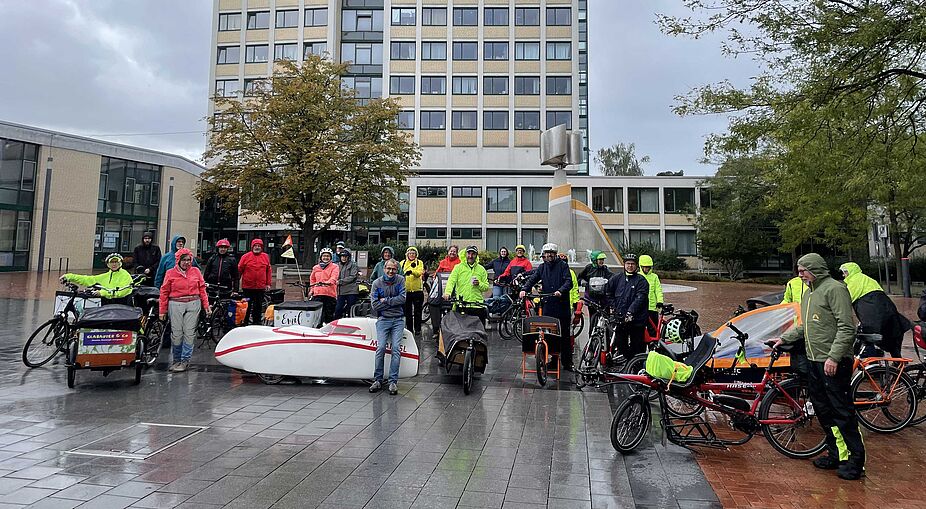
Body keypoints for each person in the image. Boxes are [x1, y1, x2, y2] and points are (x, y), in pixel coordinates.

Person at [772, 253, 864, 481]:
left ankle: (855, 460)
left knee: (841, 411)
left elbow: (846, 327)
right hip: (814, 361)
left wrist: (834, 357)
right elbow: (806, 326)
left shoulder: (835, 289)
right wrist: (784, 338)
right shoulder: (810, 293)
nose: (800, 275)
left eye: (803, 271)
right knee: (823, 410)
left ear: (816, 269)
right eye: (798, 271)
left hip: (833, 361)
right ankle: (836, 453)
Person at [839, 262, 911, 358]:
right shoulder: (869, 279)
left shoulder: (853, 282)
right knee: (891, 334)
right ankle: (897, 362)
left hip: (873, 315)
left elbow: (845, 301)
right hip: (888, 310)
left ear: (849, 272)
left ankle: (872, 359)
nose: (843, 275)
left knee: (869, 336)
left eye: (844, 272)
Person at [520, 243, 574, 370]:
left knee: (564, 335)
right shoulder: (542, 267)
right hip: (548, 305)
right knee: (549, 335)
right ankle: (553, 361)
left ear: (555, 254)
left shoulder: (563, 265)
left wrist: (561, 291)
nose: (549, 255)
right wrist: (524, 289)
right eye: (547, 253)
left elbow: (569, 282)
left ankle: (567, 363)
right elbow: (533, 279)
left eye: (551, 253)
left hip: (561, 306)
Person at [158, 248, 210, 372]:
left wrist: (206, 306)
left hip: (193, 303)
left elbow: (202, 289)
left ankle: (185, 360)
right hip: (176, 303)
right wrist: (162, 311)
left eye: (189, 260)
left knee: (189, 333)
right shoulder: (170, 273)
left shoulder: (196, 271)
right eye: (184, 260)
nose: (187, 262)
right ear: (178, 260)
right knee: (176, 334)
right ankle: (176, 360)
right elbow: (164, 292)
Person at [369, 259, 406, 395]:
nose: (391, 271)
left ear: (397, 270)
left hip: (398, 320)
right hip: (383, 319)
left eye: (393, 269)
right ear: (384, 269)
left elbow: (403, 299)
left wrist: (386, 300)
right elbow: (374, 305)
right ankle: (377, 380)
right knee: (380, 348)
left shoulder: (400, 280)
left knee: (396, 349)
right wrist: (393, 303)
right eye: (388, 268)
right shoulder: (376, 283)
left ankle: (393, 382)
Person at [605, 253, 649, 362]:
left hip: (637, 320)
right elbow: (608, 292)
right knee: (621, 344)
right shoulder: (617, 278)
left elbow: (640, 298)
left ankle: (637, 366)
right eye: (628, 263)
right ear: (624, 265)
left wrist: (631, 312)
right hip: (621, 319)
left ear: (636, 266)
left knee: (637, 346)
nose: (630, 266)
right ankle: (630, 361)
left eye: (632, 264)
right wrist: (614, 306)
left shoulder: (641, 280)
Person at [60, 253, 134, 305]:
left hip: (121, 307)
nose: (114, 264)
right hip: (107, 305)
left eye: (116, 262)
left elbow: (123, 292)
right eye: (111, 262)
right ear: (108, 264)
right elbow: (88, 279)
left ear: (120, 263)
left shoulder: (125, 275)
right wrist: (69, 276)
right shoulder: (106, 276)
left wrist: (102, 293)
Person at [444, 246, 490, 325]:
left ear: (476, 255)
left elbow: (486, 287)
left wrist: (479, 284)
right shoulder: (458, 268)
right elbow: (451, 281)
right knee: (461, 330)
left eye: (473, 254)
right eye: (469, 253)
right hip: (462, 305)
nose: (470, 256)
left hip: (477, 306)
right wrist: (447, 292)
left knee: (479, 331)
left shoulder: (481, 269)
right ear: (465, 254)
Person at [428, 245, 462, 339]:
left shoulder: (459, 263)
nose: (452, 253)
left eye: (454, 251)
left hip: (454, 289)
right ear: (448, 252)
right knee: (434, 305)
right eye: (451, 251)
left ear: (457, 253)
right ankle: (436, 330)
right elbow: (437, 273)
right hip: (442, 289)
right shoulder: (443, 262)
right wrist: (434, 277)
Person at [238, 238, 272, 325]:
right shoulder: (245, 257)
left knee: (258, 306)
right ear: (252, 247)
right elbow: (239, 270)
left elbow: (268, 271)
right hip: (248, 287)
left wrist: (268, 284)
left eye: (259, 246)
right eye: (255, 246)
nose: (257, 247)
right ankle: (245, 323)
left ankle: (257, 323)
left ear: (261, 247)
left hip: (260, 287)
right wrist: (236, 283)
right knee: (246, 306)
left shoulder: (265, 257)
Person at [310, 247, 340, 323]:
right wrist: (312, 289)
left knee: (328, 315)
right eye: (324, 256)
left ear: (331, 257)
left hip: (329, 294)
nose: (326, 258)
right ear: (321, 257)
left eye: (328, 256)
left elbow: (334, 277)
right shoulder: (316, 268)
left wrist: (328, 282)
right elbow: (312, 279)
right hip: (317, 294)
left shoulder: (335, 267)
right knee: (317, 315)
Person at [401, 246, 425, 334]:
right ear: (407, 254)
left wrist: (412, 271)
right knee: (408, 312)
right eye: (410, 253)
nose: (411, 255)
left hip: (417, 290)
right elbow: (400, 273)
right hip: (406, 291)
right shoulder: (402, 263)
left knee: (418, 311)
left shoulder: (419, 262)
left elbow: (419, 273)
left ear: (416, 255)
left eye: (413, 253)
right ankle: (409, 329)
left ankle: (417, 329)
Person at [639, 254, 664, 337]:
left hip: (652, 308)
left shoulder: (654, 277)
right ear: (641, 266)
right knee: (640, 330)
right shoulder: (637, 277)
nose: (647, 269)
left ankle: (653, 344)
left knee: (653, 330)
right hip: (640, 308)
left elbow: (658, 290)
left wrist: (660, 302)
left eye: (648, 267)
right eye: (645, 267)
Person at [334, 248, 360, 319]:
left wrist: (340, 281)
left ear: (348, 257)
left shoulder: (353, 265)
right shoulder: (337, 265)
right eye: (342, 256)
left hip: (351, 290)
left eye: (345, 256)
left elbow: (353, 276)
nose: (344, 258)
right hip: (341, 291)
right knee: (338, 308)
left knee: (350, 307)